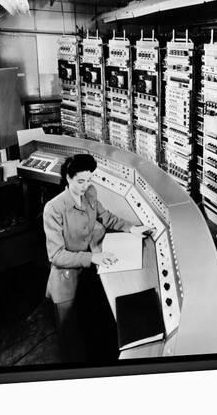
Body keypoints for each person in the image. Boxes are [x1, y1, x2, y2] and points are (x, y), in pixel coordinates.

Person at [42, 153, 150, 361]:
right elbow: (56, 256)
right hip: (68, 278)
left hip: (89, 275)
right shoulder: (54, 208)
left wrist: (132, 228)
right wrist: (92, 258)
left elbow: (106, 217)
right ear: (68, 178)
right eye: (80, 181)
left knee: (94, 334)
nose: (85, 186)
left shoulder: (90, 193)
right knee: (72, 344)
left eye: (89, 180)